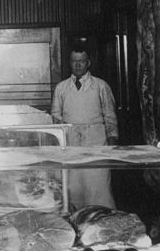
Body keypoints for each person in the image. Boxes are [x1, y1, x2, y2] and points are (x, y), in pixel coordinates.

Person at [51, 47, 119, 210]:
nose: (78, 65)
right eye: (74, 61)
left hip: (96, 142)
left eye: (81, 61)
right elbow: (55, 116)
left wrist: (112, 143)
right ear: (70, 63)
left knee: (98, 186)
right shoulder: (61, 88)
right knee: (73, 186)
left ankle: (102, 219)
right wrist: (59, 144)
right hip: (71, 142)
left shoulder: (101, 86)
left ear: (88, 63)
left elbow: (110, 115)